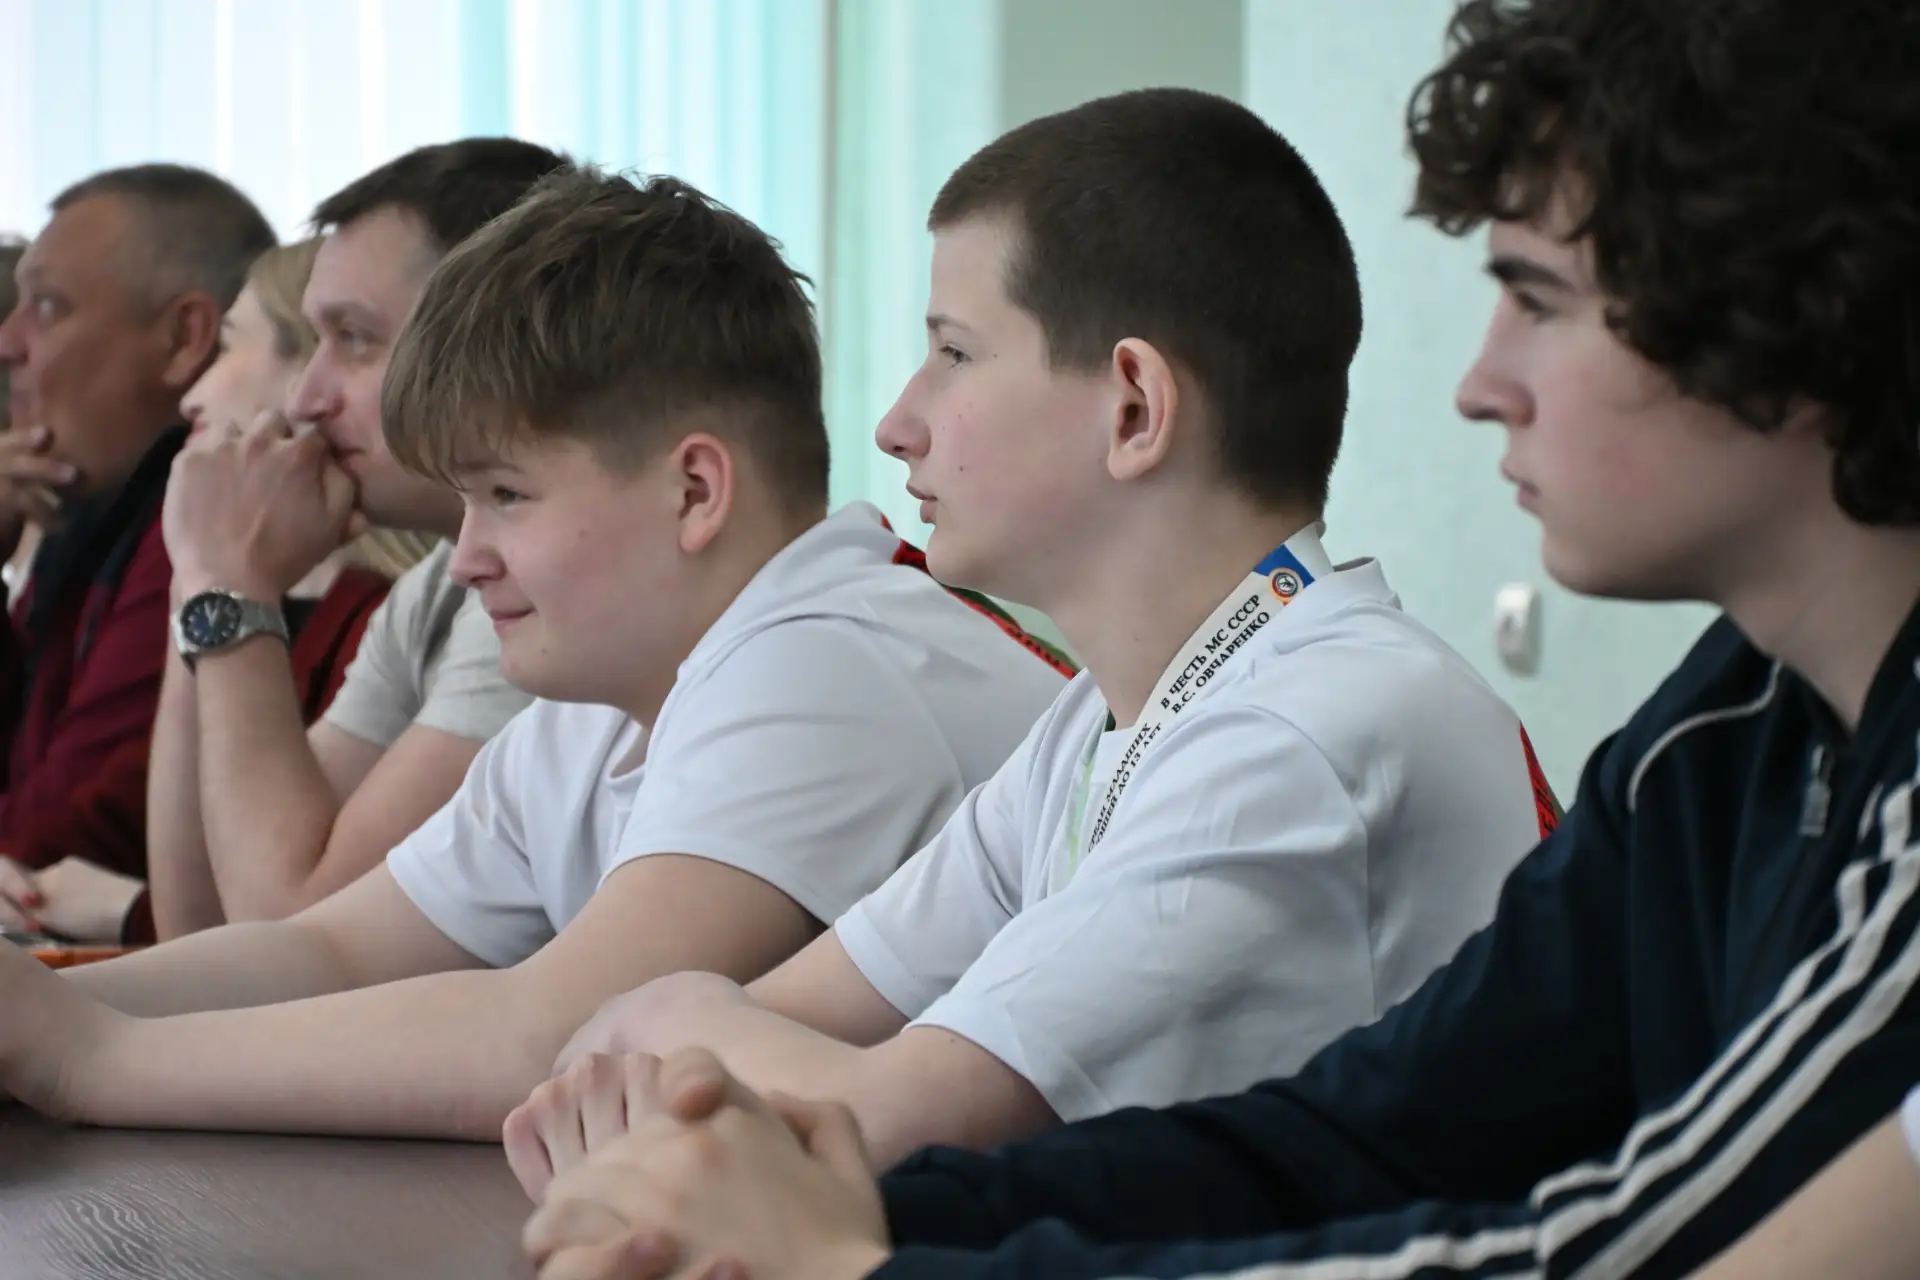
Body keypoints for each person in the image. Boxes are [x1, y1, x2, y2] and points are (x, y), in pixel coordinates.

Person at [504, 1, 1920, 1277]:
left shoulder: (1324, 723)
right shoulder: (1724, 725)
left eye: (1537, 299)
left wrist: (848, 1252)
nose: (1481, 382)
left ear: (1791, 304)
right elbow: (1363, 1137)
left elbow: (1623, 1249)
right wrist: (872, 1216)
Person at [504, 85, 1557, 1189]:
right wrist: (683, 1032)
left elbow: (879, 1122)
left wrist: (675, 1023)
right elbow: (774, 1030)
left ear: (1134, 408)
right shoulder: (1099, 722)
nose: (897, 423)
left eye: (954, 354)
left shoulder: (1306, 733)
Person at [0, 165, 1067, 1141]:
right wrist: (46, 1007)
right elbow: (330, 950)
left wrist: (90, 1057)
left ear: (695, 490)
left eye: (507, 495)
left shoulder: (828, 664)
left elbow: (550, 1038)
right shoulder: (589, 711)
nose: (466, 559)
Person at [137, 139, 556, 930]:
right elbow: (199, 920)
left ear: (484, 342)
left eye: (354, 338)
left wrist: (229, 583)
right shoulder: (437, 589)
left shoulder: (548, 585)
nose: (305, 397)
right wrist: (201, 573)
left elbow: (289, 924)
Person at [0, 240, 430, 945]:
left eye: (228, 346)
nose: (193, 397)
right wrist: (206, 572)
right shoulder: (282, 582)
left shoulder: (397, 606)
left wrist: (216, 574)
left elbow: (284, 926)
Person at [0, 166, 274, 913]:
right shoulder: (90, 511)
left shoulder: (200, 528)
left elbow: (47, 839)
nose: (7, 341)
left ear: (185, 339)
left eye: (47, 306)